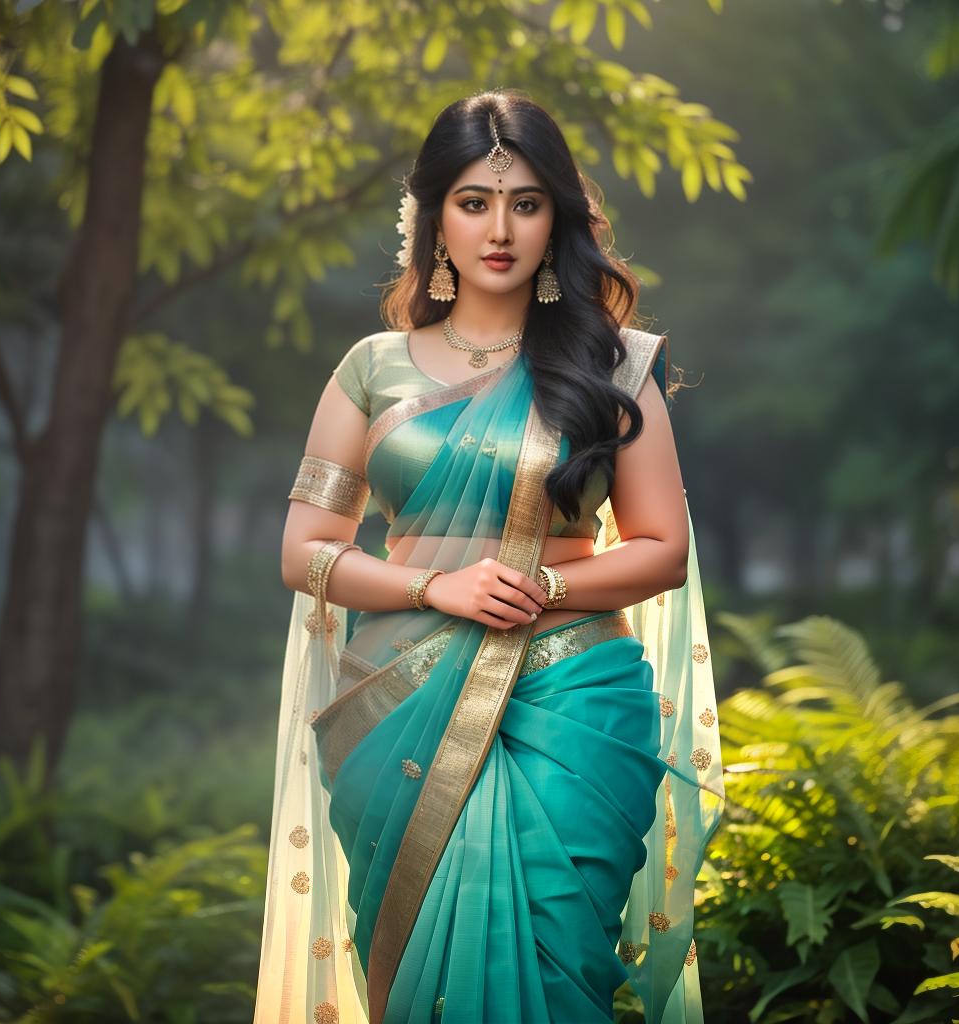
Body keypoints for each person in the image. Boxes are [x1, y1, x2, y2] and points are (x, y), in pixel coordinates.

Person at [253, 89, 724, 1024]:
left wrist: (541, 585)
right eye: (473, 202)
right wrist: (439, 586)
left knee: (555, 964)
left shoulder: (614, 369)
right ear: (433, 219)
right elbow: (305, 554)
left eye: (526, 202)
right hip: (400, 703)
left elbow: (663, 552)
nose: (499, 228)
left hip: (574, 699)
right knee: (422, 973)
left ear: (559, 218)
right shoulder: (371, 369)